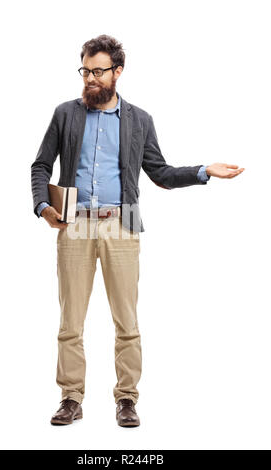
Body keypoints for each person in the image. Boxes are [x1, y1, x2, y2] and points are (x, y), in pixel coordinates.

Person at [31, 34, 245, 427]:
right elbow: (40, 166)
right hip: (74, 226)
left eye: (98, 71)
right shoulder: (66, 114)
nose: (91, 78)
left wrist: (202, 172)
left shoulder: (139, 120)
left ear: (118, 72)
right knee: (70, 321)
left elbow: (160, 173)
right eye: (85, 70)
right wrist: (44, 206)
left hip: (122, 225)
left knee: (126, 321)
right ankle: (71, 398)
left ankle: (127, 399)